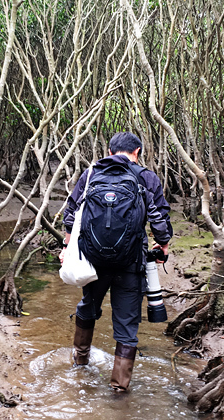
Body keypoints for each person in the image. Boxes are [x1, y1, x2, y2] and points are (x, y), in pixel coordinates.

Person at [59, 132, 172, 392]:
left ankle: (79, 364)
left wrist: (66, 247)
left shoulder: (90, 175)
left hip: (93, 260)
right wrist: (163, 244)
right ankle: (119, 391)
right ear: (138, 151)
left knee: (87, 307)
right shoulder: (147, 177)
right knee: (127, 326)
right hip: (130, 263)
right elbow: (160, 218)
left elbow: (71, 214)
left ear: (109, 151)